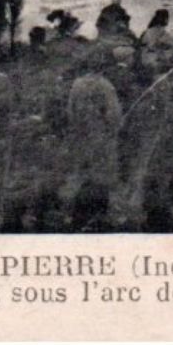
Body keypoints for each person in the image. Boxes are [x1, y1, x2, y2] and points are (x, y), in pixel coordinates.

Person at [65, 55, 123, 231]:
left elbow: (70, 110)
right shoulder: (106, 86)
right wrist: (114, 129)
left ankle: (77, 213)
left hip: (81, 135)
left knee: (81, 173)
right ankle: (98, 214)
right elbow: (113, 114)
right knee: (101, 174)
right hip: (101, 135)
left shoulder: (77, 84)